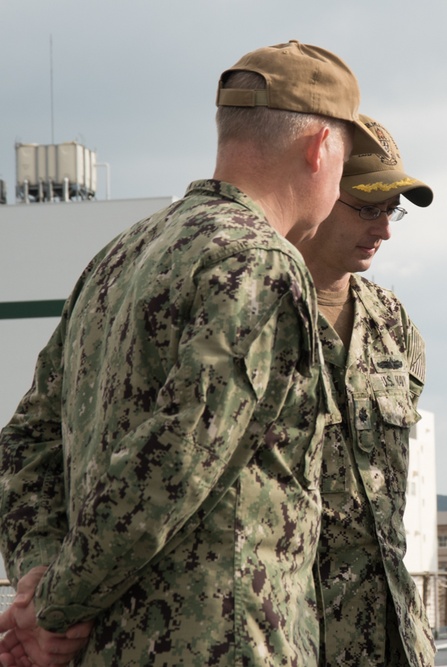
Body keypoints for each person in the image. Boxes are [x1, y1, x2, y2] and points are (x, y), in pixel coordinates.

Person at [0, 40, 385, 666]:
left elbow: (24, 440)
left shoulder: (119, 256)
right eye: (345, 158)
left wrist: (38, 576)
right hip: (221, 644)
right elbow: (177, 460)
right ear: (320, 147)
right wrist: (51, 607)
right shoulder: (264, 261)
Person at [295, 115, 435, 666]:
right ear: (319, 190)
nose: (384, 229)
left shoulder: (391, 320)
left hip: (391, 634)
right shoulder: (255, 306)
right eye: (367, 208)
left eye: (390, 211)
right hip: (290, 634)